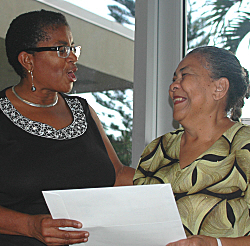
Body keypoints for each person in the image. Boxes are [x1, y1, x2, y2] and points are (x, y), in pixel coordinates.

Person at [0, 9, 135, 245]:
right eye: (62, 49)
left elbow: (118, 175)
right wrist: (30, 226)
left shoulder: (83, 110)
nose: (73, 57)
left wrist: (181, 180)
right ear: (27, 60)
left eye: (73, 48)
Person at [133, 46, 250, 246]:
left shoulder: (245, 145)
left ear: (219, 88)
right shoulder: (156, 150)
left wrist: (216, 244)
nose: (173, 86)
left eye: (184, 76)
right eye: (173, 79)